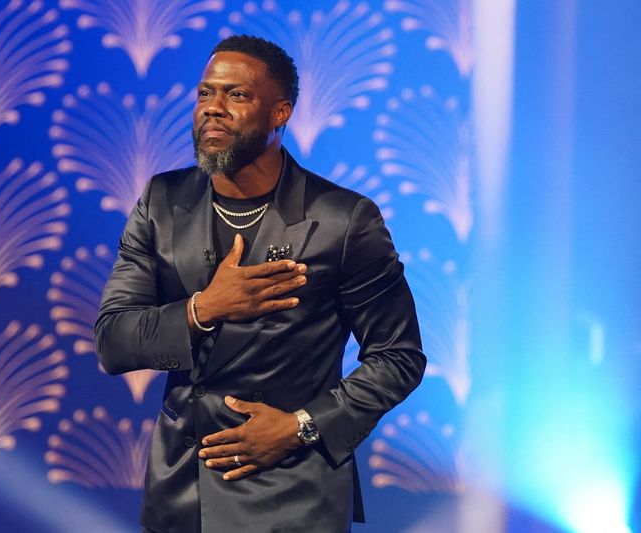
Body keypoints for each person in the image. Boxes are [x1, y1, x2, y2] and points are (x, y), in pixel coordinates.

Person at [95, 35, 426, 533]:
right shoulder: (161, 202)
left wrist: (301, 426)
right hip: (180, 499)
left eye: (237, 95)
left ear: (280, 113)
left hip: (289, 495)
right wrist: (202, 309)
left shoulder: (342, 220)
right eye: (206, 93)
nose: (214, 109)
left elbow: (398, 357)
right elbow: (113, 341)